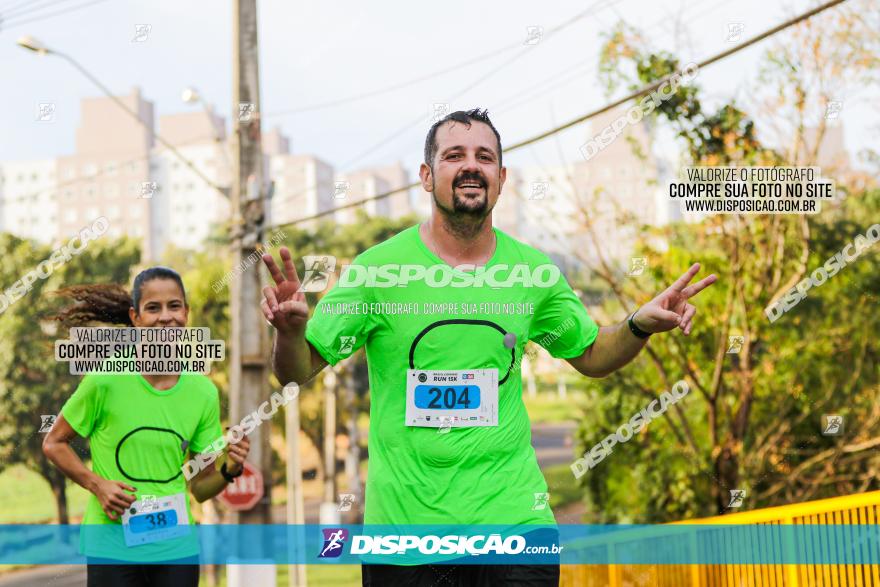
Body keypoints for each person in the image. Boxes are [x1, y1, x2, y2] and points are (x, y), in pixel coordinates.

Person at [260, 109, 717, 586]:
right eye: (454, 155)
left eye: (484, 156)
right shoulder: (377, 272)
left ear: (500, 178)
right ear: (426, 175)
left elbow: (593, 354)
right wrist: (290, 332)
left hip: (516, 525)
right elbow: (297, 372)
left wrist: (638, 324)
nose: (470, 166)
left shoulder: (533, 272)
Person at [42, 266, 250, 587]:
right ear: (135, 318)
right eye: (153, 308)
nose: (166, 317)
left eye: (174, 306)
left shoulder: (203, 391)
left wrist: (230, 470)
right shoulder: (106, 379)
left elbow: (200, 488)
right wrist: (98, 485)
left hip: (176, 548)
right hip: (111, 547)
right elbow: (54, 443)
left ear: (186, 313)